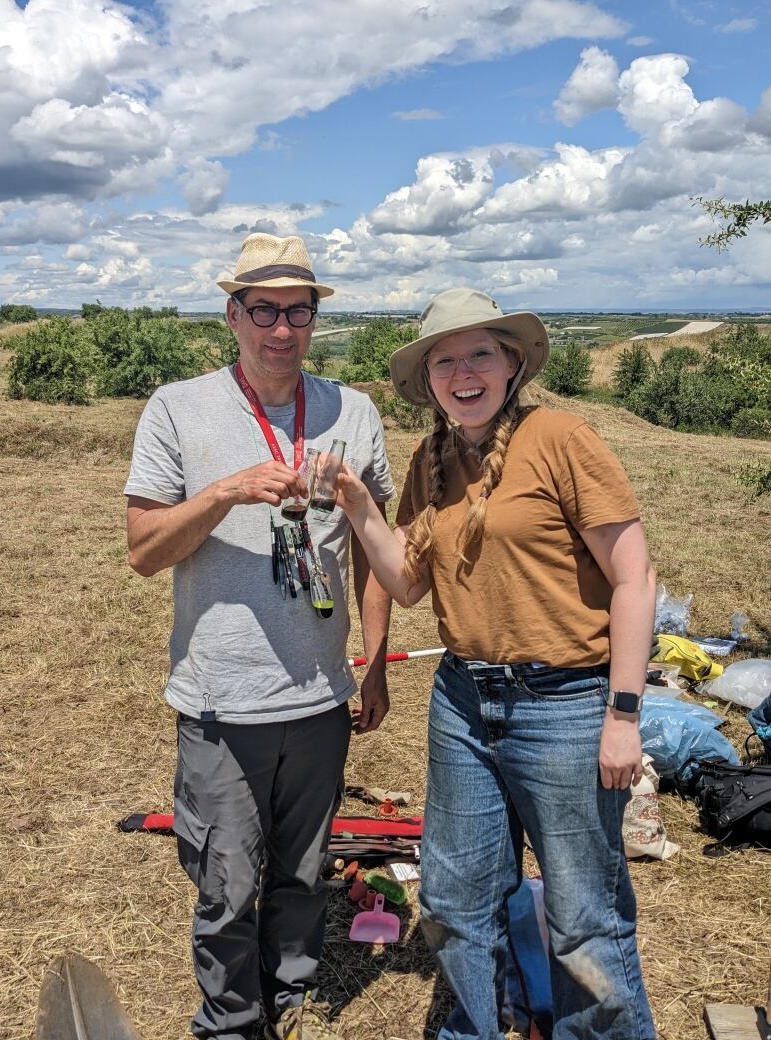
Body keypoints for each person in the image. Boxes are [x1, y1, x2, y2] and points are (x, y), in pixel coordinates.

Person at [336, 288, 657, 1040]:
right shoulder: (433, 458)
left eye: (479, 352)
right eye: (444, 360)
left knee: (584, 916)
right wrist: (358, 506)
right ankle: (475, 1027)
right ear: (430, 381)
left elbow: (635, 578)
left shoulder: (563, 438)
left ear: (512, 362)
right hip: (462, 702)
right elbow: (408, 583)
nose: (462, 371)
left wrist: (623, 714)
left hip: (569, 704)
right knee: (452, 900)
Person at [124, 233, 394, 1040]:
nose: (282, 328)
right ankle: (232, 1020)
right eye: (264, 310)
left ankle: (293, 996)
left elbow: (376, 552)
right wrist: (227, 492)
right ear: (232, 314)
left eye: (298, 310)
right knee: (226, 878)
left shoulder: (356, 409)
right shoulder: (178, 407)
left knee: (305, 869)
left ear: (316, 317)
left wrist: (374, 664)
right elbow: (144, 552)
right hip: (221, 699)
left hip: (319, 697)